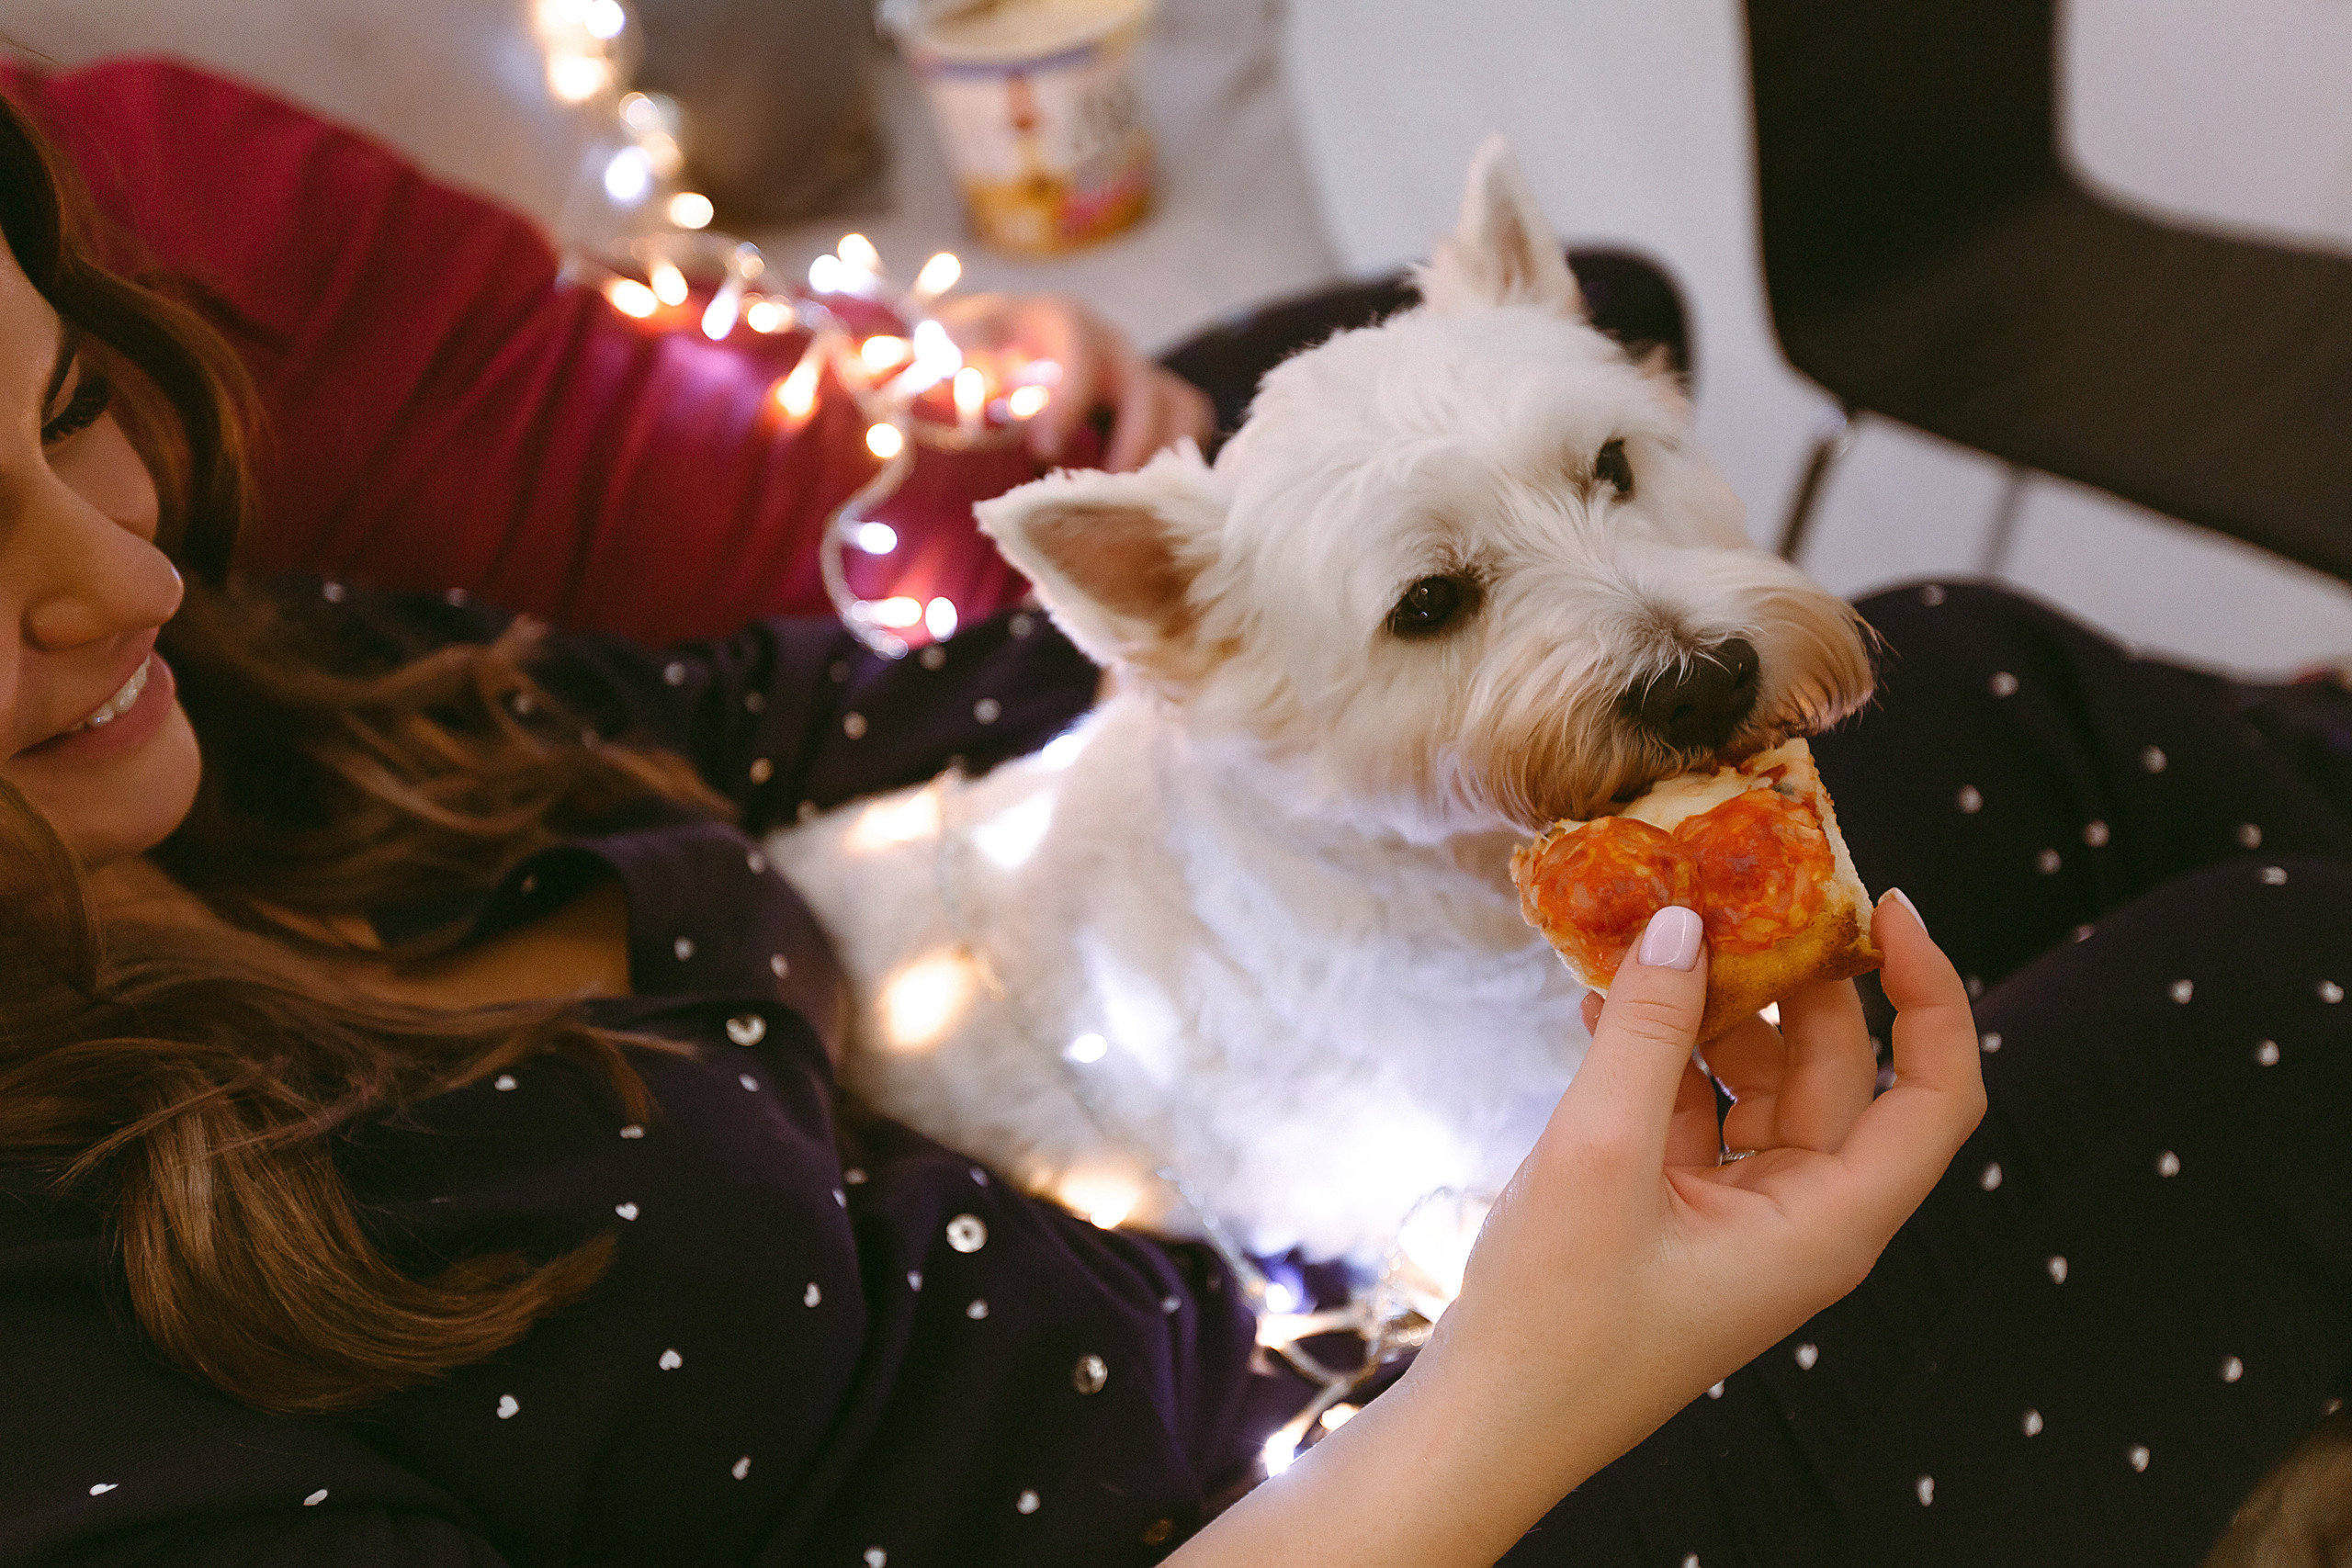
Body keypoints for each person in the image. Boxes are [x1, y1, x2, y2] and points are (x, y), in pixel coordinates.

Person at [0, 66, 2343, 1568]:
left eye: (73, 408)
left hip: (1075, 1126)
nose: (131, 580)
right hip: (1328, 1480)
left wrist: (1070, 531)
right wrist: (1502, 1389)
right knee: (2281, 1001)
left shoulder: (237, 703)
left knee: (1967, 673)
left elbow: (727, 710)